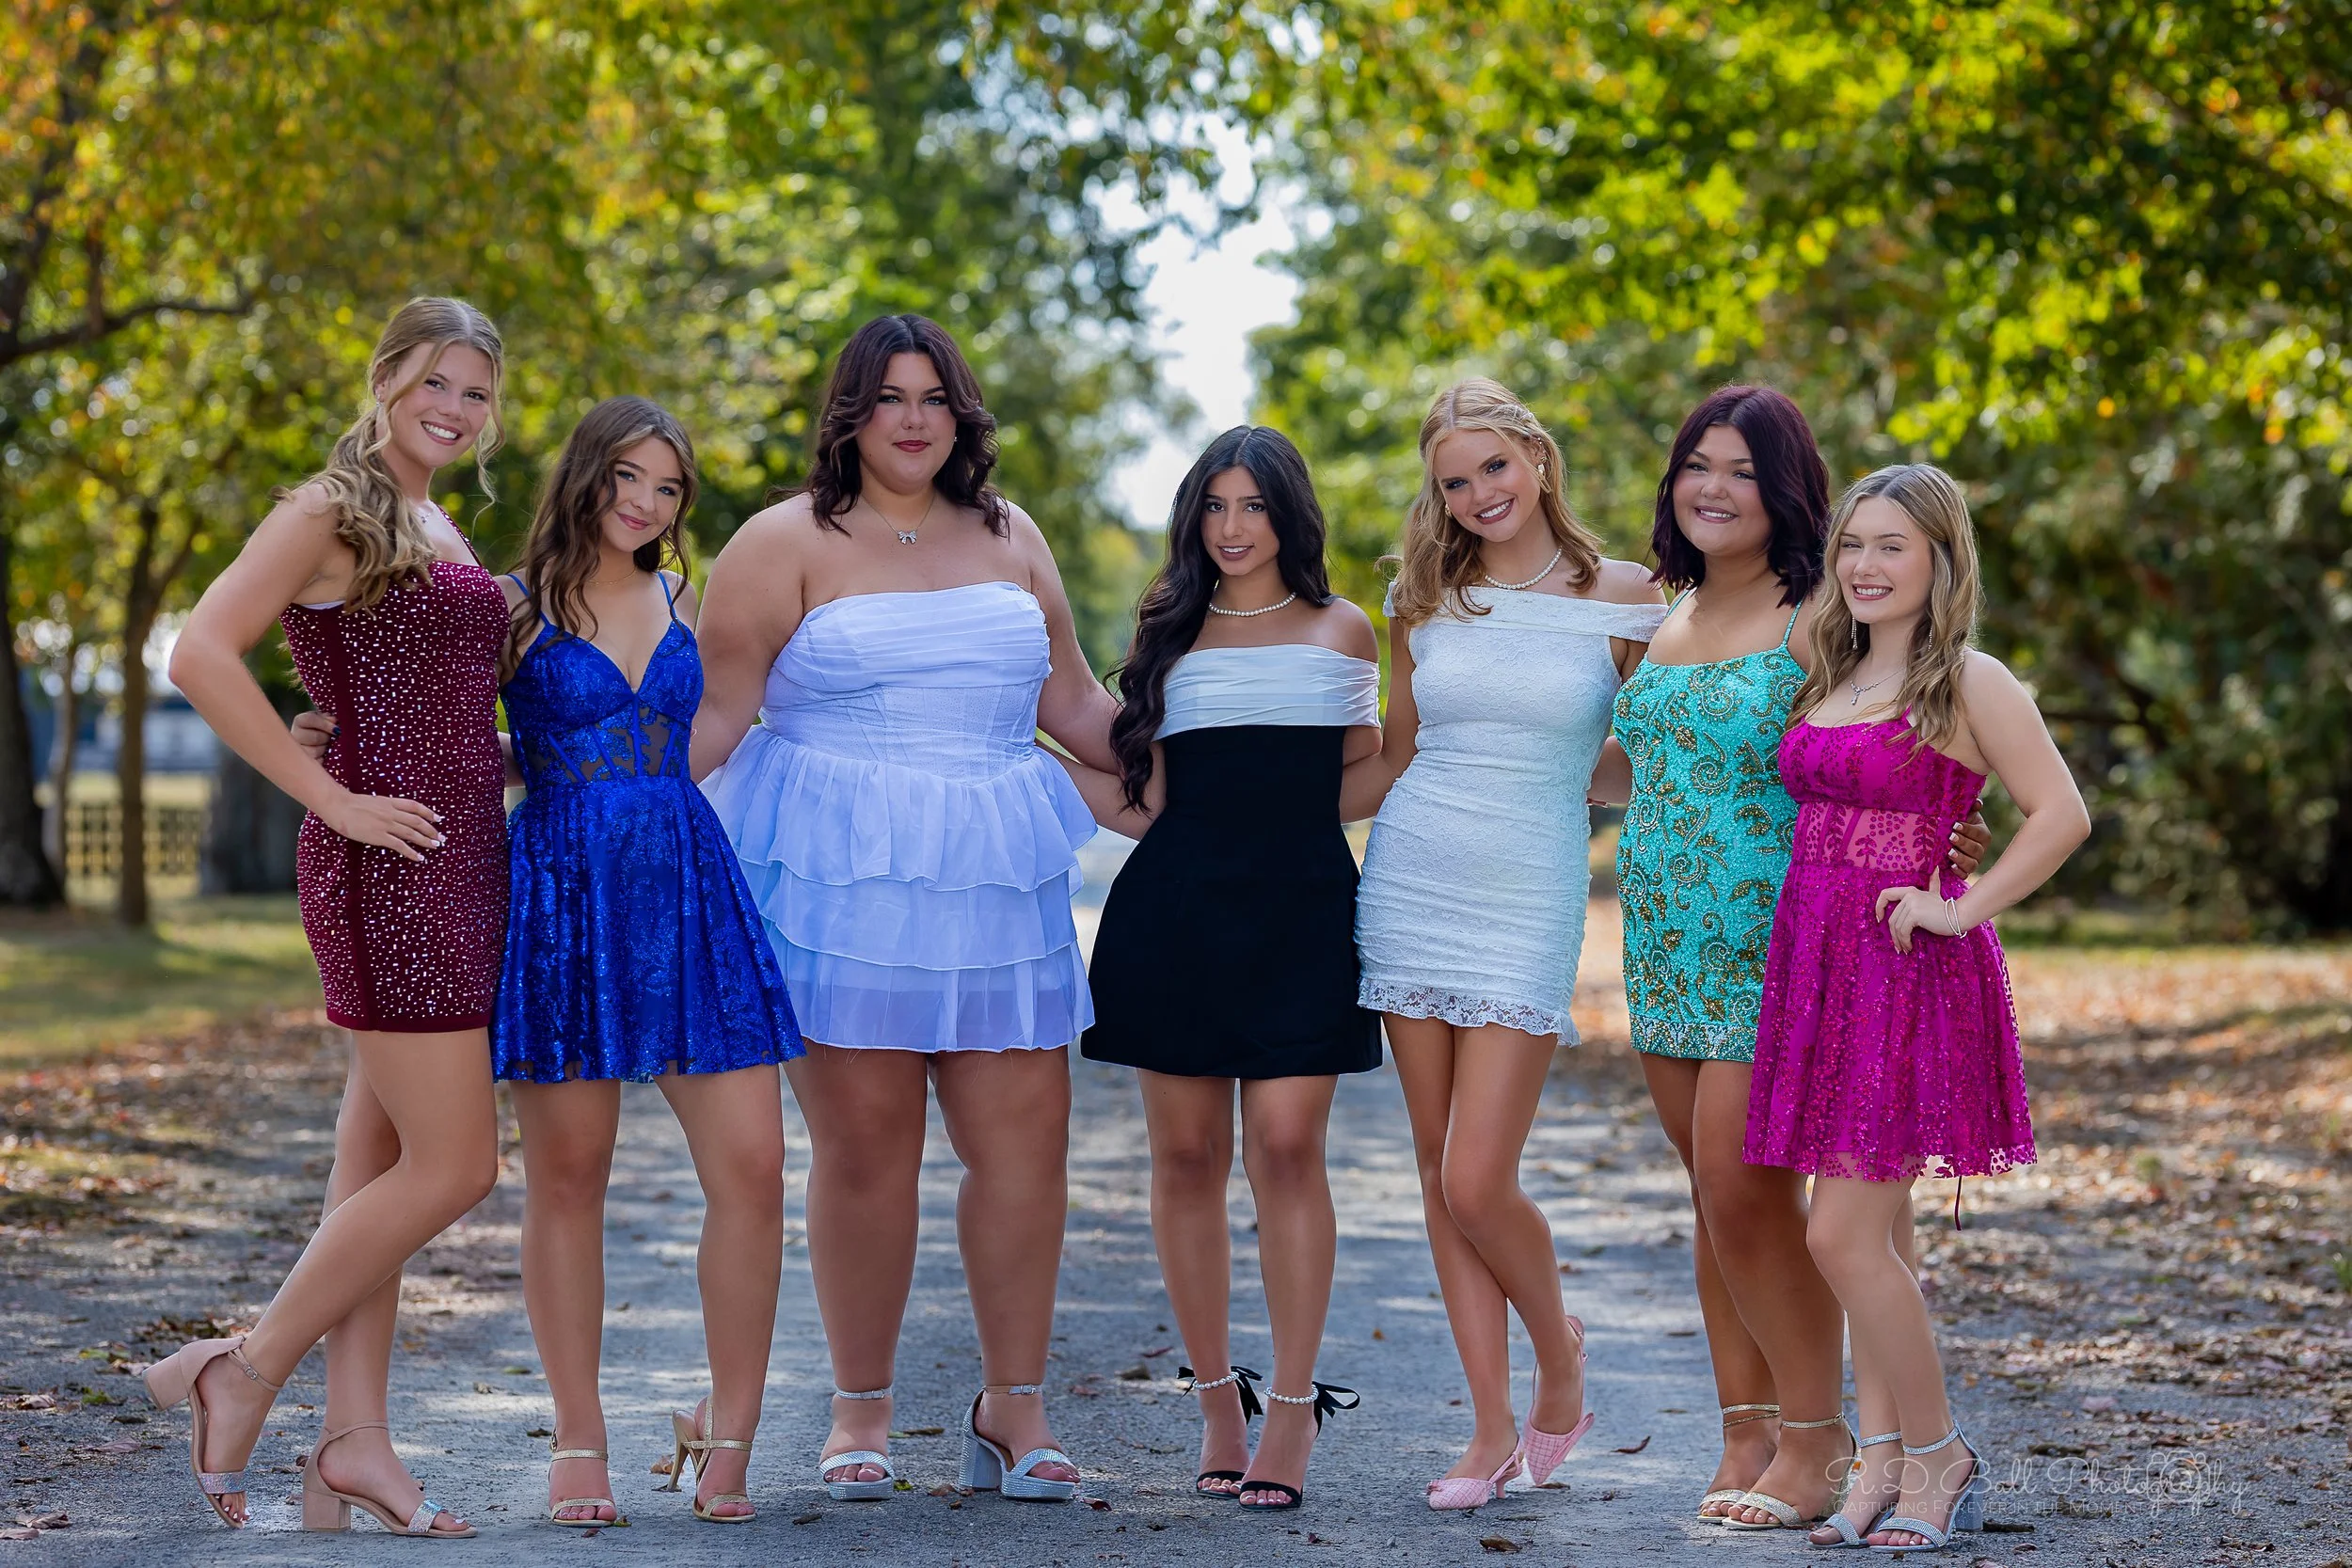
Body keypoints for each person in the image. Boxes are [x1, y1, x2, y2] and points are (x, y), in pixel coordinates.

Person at [292, 396, 803, 1525]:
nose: (646, 501)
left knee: (756, 1165)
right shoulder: (510, 608)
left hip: (683, 884)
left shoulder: (684, 593)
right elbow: (432, 722)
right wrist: (323, 741)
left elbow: (699, 726)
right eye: (629, 475)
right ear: (584, 474)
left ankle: (729, 1434)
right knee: (569, 1176)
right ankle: (580, 1441)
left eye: (669, 487)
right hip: (561, 895)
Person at [691, 313, 1118, 1503]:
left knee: (1025, 1149)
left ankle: (1010, 1406)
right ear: (850, 415)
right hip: (842, 880)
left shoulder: (1012, 532)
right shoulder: (780, 542)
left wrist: (1222, 772)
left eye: (934, 395)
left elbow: (1077, 704)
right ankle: (860, 1407)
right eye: (888, 397)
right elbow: (715, 716)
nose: (914, 416)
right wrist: (542, 770)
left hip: (994, 870)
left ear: (960, 410)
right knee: (868, 1151)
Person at [1594, 387, 1987, 1528]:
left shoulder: (1820, 608)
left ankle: (1817, 1440)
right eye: (1695, 465)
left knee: (1743, 1186)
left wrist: (1952, 830)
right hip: (1661, 937)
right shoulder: (1655, 614)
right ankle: (1748, 1430)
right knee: (1716, 1200)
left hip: (1786, 936)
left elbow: (1918, 711)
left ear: (1784, 491)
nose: (1713, 487)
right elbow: (1636, 770)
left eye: (1743, 471)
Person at [151, 297, 508, 1537]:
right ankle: (237, 1368)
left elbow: (416, 689)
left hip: (461, 864)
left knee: (384, 1172)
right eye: (435, 381)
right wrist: (331, 792)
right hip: (387, 872)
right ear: (386, 376)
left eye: (475, 391)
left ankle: (353, 1443)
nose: (454, 408)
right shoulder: (330, 505)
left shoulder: (438, 515)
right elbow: (201, 650)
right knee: (459, 1164)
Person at [1746, 463, 2088, 1550]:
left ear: (1940, 558)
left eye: (1892, 544)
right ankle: (1880, 1463)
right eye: (1853, 543)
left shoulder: (1969, 679)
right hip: (1819, 967)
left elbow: (2060, 812)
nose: (1865, 564)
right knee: (1879, 1230)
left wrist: (1961, 907)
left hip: (1906, 969)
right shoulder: (1825, 663)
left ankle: (1939, 1452)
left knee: (1838, 1232)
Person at [1350, 378, 1665, 1510]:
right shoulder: (1421, 593)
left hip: (1530, 882)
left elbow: (1653, 752)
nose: (1477, 493)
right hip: (1413, 869)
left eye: (1493, 467)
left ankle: (1560, 1359)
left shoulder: (1627, 595)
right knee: (1439, 1177)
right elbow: (1394, 752)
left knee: (1479, 1176)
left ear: (1536, 457)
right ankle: (1487, 1426)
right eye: (1452, 480)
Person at [1063, 426, 1377, 1511]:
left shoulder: (1347, 631)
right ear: (1193, 518)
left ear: (1292, 516)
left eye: (1254, 506)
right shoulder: (1169, 630)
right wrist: (1039, 748)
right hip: (1177, 915)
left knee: (1287, 1147)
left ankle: (1291, 1404)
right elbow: (1146, 803)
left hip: (1299, 912)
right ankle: (1214, 1401)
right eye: (1214, 506)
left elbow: (1355, 781)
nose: (1233, 527)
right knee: (1187, 1156)